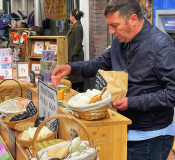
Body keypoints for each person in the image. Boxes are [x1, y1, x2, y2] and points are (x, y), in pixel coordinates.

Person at [52, 0, 175, 159]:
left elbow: (173, 93)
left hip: (150, 137)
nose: (111, 31)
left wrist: (132, 102)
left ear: (132, 19)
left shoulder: (162, 46)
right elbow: (100, 64)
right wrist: (71, 68)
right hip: (121, 128)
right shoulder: (119, 41)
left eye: (115, 25)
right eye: (109, 25)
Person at [67, 9, 85, 92]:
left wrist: (72, 56)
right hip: (74, 57)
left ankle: (79, 96)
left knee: (77, 80)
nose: (70, 17)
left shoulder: (77, 27)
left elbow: (78, 43)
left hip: (76, 57)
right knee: (75, 79)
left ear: (73, 17)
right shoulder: (75, 26)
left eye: (70, 16)